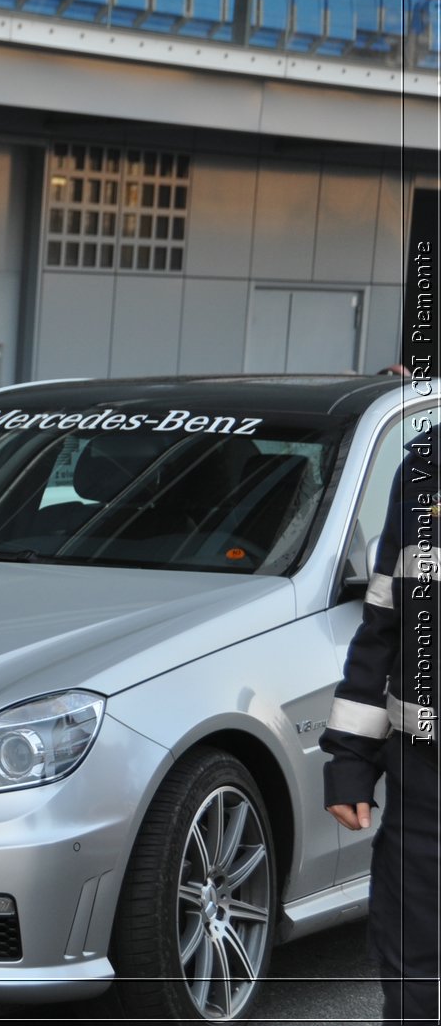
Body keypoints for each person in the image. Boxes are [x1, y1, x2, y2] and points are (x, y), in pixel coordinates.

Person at [321, 423, 437, 1024]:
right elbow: (384, 624)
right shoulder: (426, 467)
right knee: (416, 976)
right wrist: (348, 761)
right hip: (426, 787)